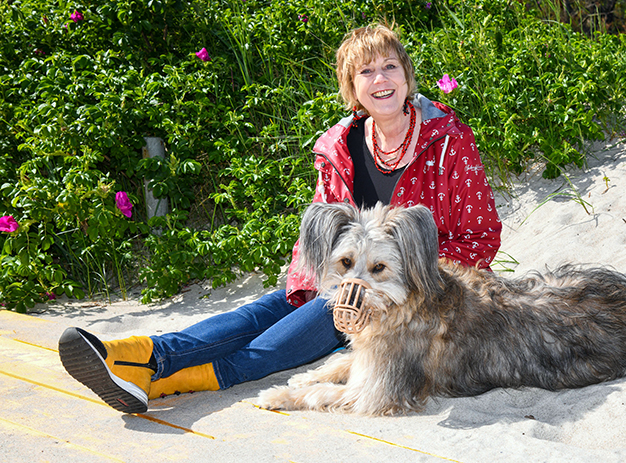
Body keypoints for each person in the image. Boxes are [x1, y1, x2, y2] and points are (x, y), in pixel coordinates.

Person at [58, 23, 502, 414]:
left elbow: (481, 237)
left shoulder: (449, 141)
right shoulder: (340, 146)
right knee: (254, 316)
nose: (380, 79)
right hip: (339, 281)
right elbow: (321, 237)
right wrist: (308, 286)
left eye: (390, 66)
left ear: (406, 75)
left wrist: (404, 272)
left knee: (269, 349)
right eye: (366, 71)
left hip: (405, 301)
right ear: (352, 87)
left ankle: (156, 380)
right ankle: (129, 352)